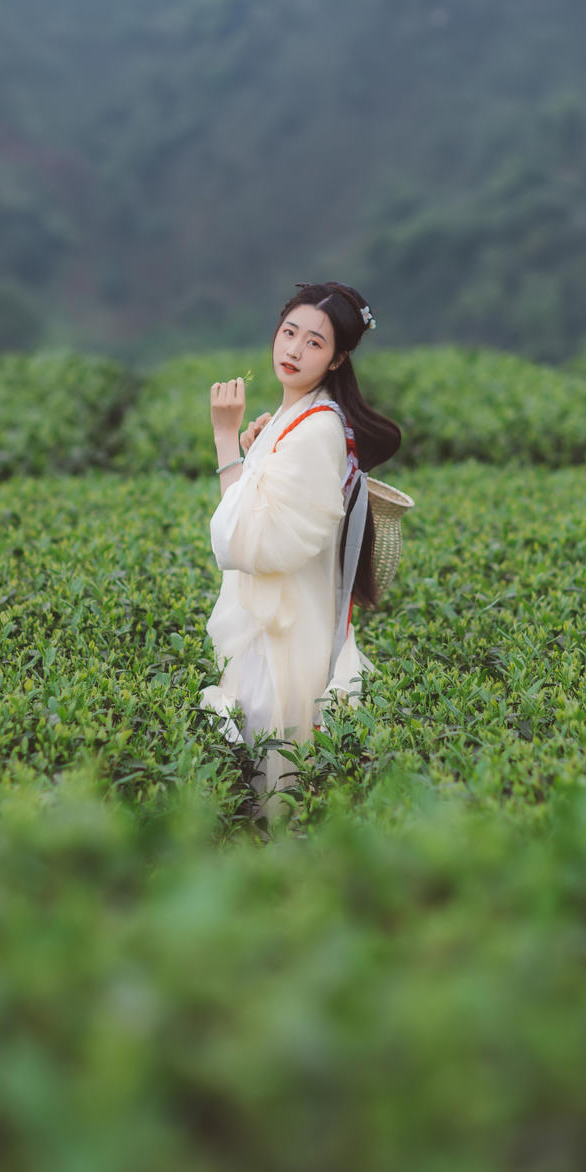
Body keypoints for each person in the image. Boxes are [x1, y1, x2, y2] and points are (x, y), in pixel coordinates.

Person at [200, 280, 401, 809]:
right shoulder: (297, 418)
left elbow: (246, 546)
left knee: (272, 800)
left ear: (337, 360)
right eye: (289, 332)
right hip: (278, 631)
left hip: (282, 645)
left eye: (315, 342)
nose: (294, 349)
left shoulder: (315, 431)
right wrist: (253, 454)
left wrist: (225, 438)